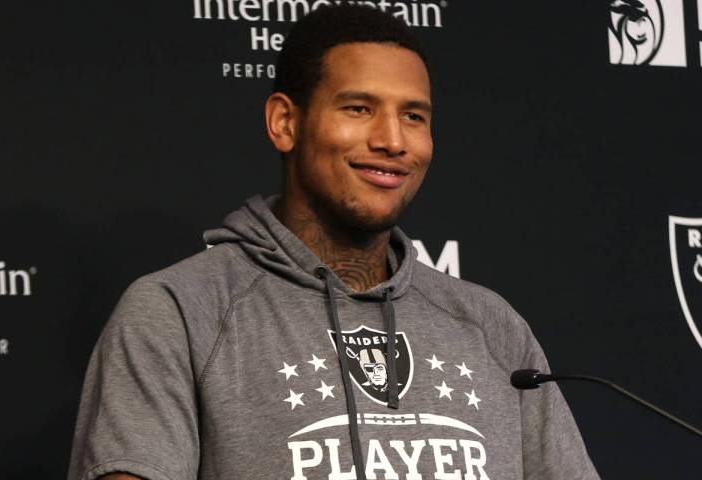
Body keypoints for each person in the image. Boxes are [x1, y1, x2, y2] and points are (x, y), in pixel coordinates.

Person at [67, 5, 600, 480]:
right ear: (284, 122)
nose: (392, 140)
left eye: (413, 115)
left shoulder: (491, 326)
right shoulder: (180, 313)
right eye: (358, 108)